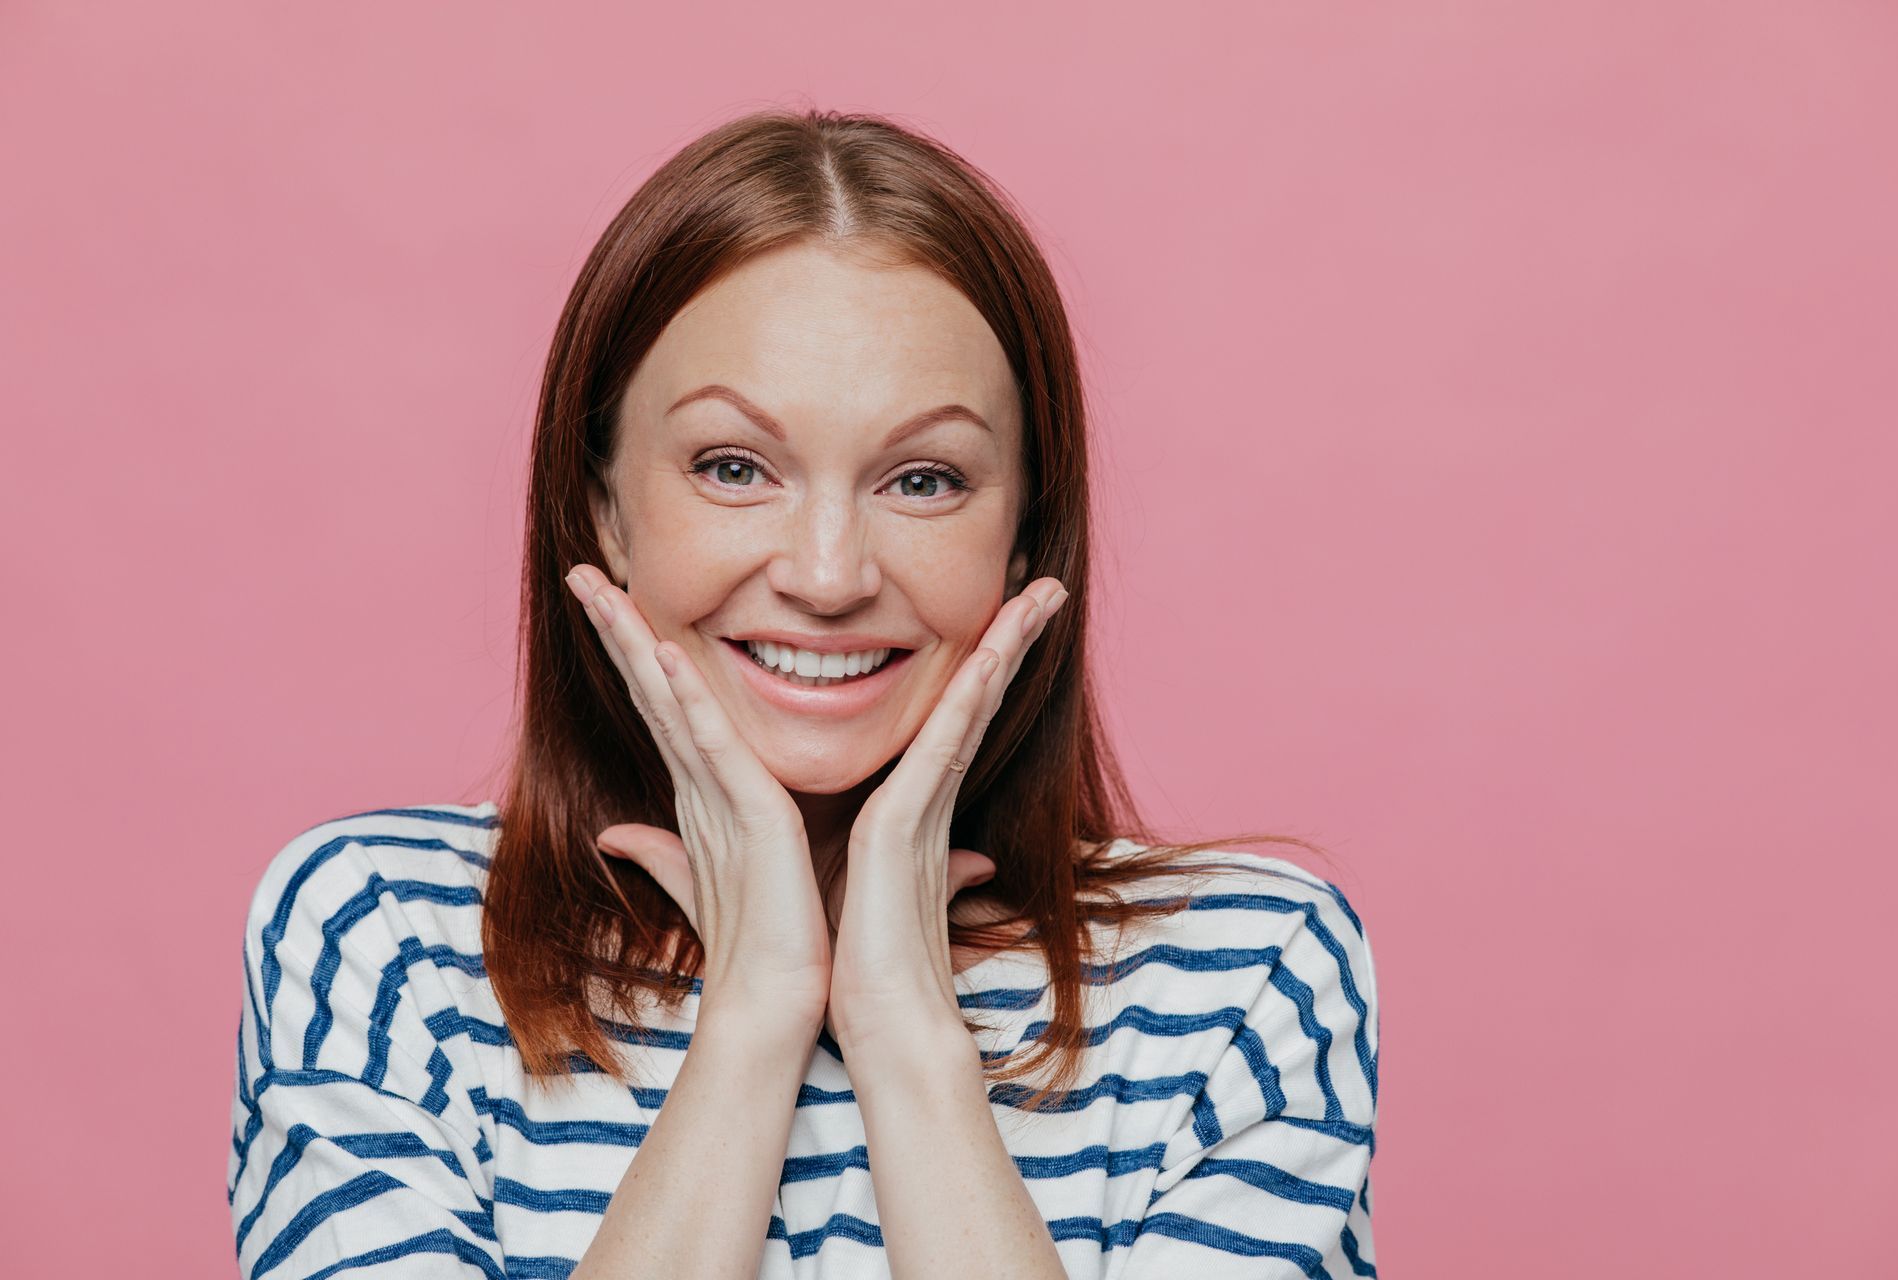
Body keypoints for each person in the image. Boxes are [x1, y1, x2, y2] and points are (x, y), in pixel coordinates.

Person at [227, 107, 1381, 1279]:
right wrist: (755, 1014)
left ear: (1026, 537)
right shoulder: (386, 940)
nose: (828, 575)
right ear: (599, 510)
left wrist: (907, 1033)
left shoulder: (1247, 971)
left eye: (923, 478)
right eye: (734, 467)